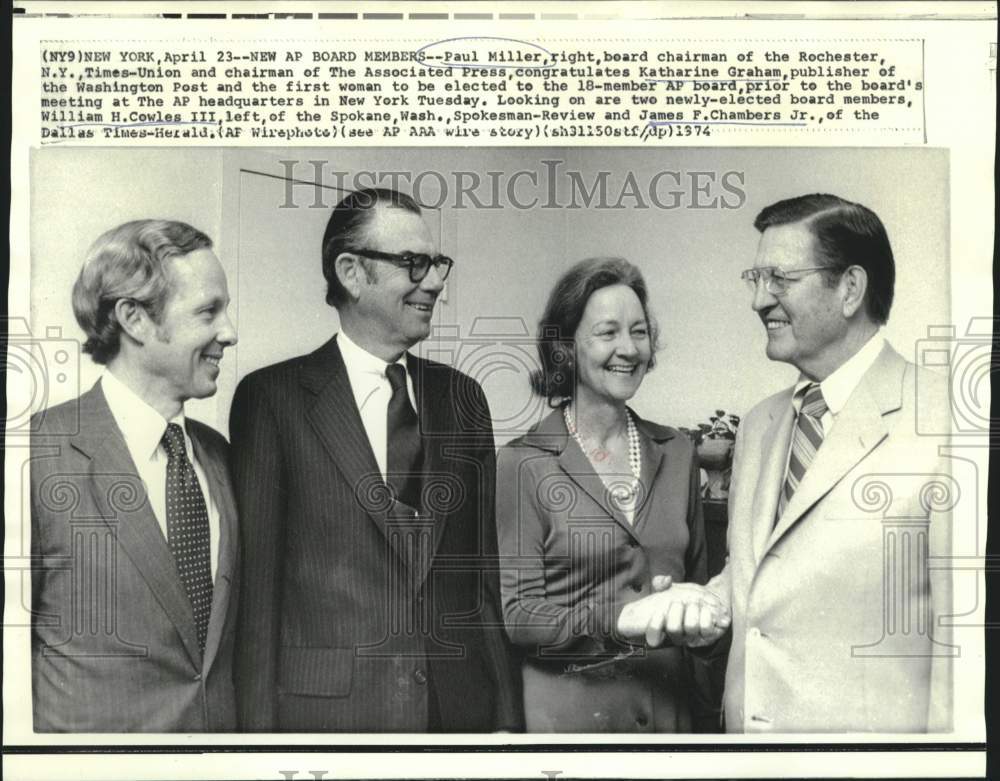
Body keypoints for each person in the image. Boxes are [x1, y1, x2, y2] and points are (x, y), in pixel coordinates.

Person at [636, 194, 953, 732]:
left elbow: (963, 653)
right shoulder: (759, 425)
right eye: (756, 278)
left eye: (780, 279)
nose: (760, 300)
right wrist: (710, 608)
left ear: (850, 288)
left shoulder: (946, 422)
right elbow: (764, 578)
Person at [230, 188, 522, 732]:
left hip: (458, 715)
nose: (434, 282)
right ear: (352, 273)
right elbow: (257, 604)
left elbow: (482, 581)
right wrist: (258, 748)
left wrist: (506, 720)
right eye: (413, 263)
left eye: (436, 264)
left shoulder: (464, 398)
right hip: (328, 723)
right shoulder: (272, 400)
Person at [496, 257, 728, 732]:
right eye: (608, 332)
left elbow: (698, 590)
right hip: (570, 725)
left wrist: (701, 621)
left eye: (639, 332)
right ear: (565, 348)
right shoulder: (525, 462)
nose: (628, 348)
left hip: (669, 720)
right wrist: (625, 618)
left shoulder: (679, 452)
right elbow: (520, 616)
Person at [30, 219, 240, 731]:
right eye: (208, 311)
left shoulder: (220, 456)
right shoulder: (33, 454)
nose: (229, 333)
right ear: (135, 318)